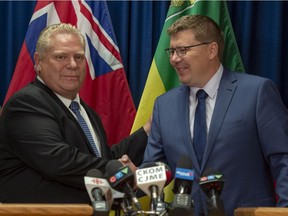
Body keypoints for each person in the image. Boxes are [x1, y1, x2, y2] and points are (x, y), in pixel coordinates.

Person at [142, 15, 288, 216]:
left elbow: (284, 158)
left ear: (212, 50)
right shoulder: (163, 105)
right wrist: (139, 176)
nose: (174, 58)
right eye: (172, 51)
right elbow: (154, 167)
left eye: (183, 50)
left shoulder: (257, 92)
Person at [0, 23, 151, 203]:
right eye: (61, 57)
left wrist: (148, 131)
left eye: (79, 57)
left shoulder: (85, 112)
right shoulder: (27, 103)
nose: (72, 64)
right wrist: (121, 171)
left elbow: (101, 160)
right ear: (38, 62)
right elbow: (58, 161)